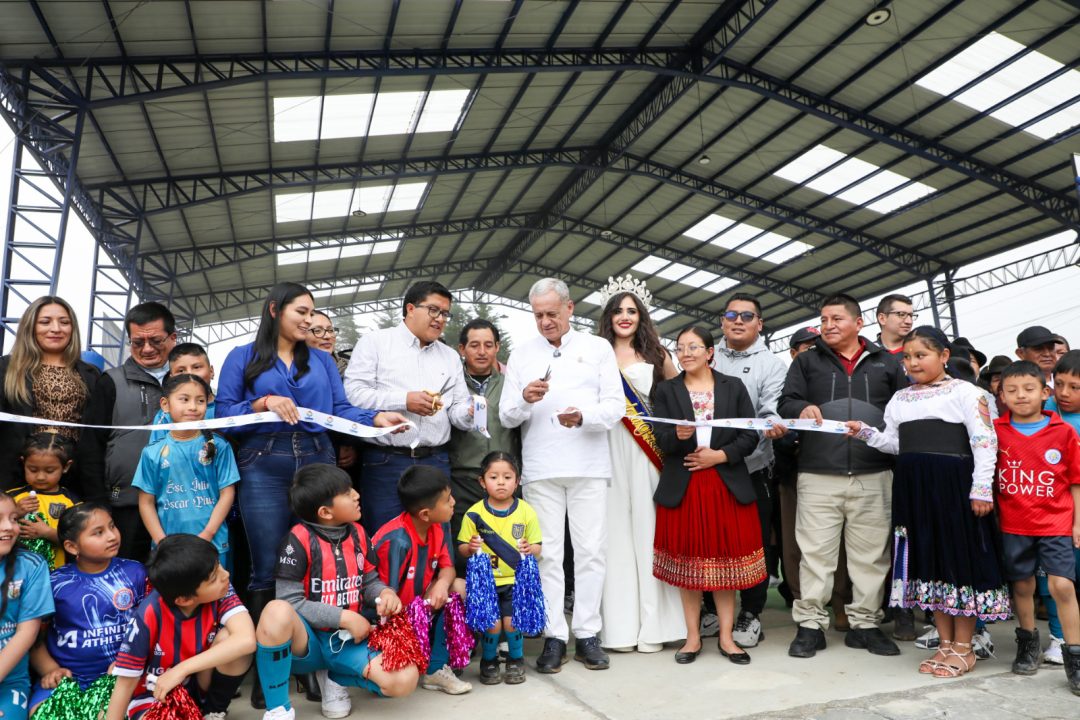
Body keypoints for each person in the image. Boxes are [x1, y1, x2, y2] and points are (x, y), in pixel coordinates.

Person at [215, 281, 404, 708]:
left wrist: (375, 418)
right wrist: (261, 403)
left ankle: (319, 665)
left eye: (311, 312)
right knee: (267, 568)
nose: (308, 320)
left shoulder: (320, 360)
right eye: (300, 311)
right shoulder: (242, 356)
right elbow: (223, 412)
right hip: (263, 461)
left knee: (326, 562)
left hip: (319, 458)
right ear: (274, 310)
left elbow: (340, 411)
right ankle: (271, 669)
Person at [846, 327, 1009, 678]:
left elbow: (984, 441)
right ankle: (945, 644)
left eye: (921, 355)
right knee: (928, 561)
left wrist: (981, 488)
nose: (912, 363)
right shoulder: (900, 399)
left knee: (957, 560)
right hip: (913, 488)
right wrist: (866, 433)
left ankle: (964, 647)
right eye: (907, 357)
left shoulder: (966, 392)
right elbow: (895, 444)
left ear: (944, 356)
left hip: (954, 486)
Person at [499, 278, 623, 672]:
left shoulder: (597, 348)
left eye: (552, 313)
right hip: (541, 466)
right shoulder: (522, 354)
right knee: (547, 554)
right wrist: (524, 399)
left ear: (570, 308)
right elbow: (506, 415)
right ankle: (555, 635)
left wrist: (583, 416)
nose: (545, 321)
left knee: (590, 552)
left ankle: (587, 633)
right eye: (538, 315)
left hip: (588, 464)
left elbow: (615, 407)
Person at [779, 293, 907, 659]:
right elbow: (785, 402)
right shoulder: (807, 361)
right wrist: (802, 407)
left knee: (871, 556)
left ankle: (866, 624)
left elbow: (902, 411)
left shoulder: (886, 363)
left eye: (836, 319)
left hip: (874, 472)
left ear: (859, 323)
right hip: (818, 472)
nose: (828, 325)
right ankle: (810, 625)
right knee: (815, 554)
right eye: (824, 320)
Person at [253, 465, 416, 720]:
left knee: (405, 679)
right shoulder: (297, 540)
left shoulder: (358, 533)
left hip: (348, 642)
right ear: (325, 512)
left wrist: (385, 593)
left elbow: (369, 581)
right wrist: (343, 617)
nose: (356, 495)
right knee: (275, 611)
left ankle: (335, 677)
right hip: (307, 643)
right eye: (347, 492)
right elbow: (289, 601)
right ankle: (278, 709)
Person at [652, 326, 764, 665]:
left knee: (724, 566)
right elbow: (661, 439)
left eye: (693, 347)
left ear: (710, 352)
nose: (685, 354)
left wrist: (721, 456)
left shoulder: (733, 386)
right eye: (680, 348)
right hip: (685, 485)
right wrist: (677, 435)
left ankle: (727, 639)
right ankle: (692, 638)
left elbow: (750, 434)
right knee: (690, 565)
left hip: (725, 483)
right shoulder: (667, 390)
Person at [595, 280, 683, 653]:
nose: (625, 317)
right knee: (614, 536)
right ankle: (620, 630)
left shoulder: (658, 355)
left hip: (648, 451)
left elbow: (680, 397)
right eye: (618, 310)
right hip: (607, 448)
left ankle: (657, 627)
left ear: (641, 315)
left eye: (632, 311)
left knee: (650, 533)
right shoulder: (595, 353)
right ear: (608, 315)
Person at [344, 281, 473, 535]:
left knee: (436, 541)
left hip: (435, 460)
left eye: (445, 313)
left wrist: (469, 412)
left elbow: (456, 409)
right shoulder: (375, 343)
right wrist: (404, 400)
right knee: (385, 538)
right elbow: (354, 395)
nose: (440, 319)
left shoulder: (449, 356)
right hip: (386, 461)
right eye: (433, 310)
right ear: (410, 309)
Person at [994, 361, 1080, 694]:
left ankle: (1074, 654)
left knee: (1063, 586)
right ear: (1002, 396)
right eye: (1012, 390)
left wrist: (1077, 522)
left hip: (1055, 522)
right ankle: (1028, 643)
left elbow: (1075, 481)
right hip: (1013, 522)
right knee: (1022, 585)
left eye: (1029, 389)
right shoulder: (995, 431)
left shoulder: (1063, 432)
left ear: (1045, 393)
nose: (1021, 396)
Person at [108, 535, 254, 720]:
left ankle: (213, 712)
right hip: (155, 696)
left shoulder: (221, 589)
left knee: (231, 640)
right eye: (214, 578)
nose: (225, 575)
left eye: (219, 566)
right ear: (184, 600)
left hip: (197, 686)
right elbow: (125, 683)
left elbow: (246, 639)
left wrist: (181, 670)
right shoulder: (148, 614)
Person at [713, 293, 789, 649]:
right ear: (722, 321)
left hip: (751, 467)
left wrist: (771, 423)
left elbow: (771, 409)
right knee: (711, 542)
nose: (738, 321)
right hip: (706, 467)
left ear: (760, 323)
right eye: (732, 315)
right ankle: (710, 609)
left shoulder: (772, 365)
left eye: (747, 315)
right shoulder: (706, 355)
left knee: (753, 544)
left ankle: (751, 612)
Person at [80, 302, 177, 560]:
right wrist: (99, 502)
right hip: (125, 505)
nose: (147, 349)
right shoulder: (111, 382)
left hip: (182, 504)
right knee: (126, 571)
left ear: (173, 338)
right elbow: (91, 446)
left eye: (155, 340)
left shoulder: (189, 382)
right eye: (138, 342)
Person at [28, 503, 146, 712]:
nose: (111, 536)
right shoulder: (55, 583)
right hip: (69, 680)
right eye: (98, 533)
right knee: (40, 713)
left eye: (112, 526)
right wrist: (50, 669)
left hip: (122, 677)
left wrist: (131, 663)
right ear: (72, 547)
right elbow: (34, 637)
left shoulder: (135, 572)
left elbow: (152, 627)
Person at [372, 465, 470, 695]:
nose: (454, 502)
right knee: (397, 677)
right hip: (392, 617)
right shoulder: (398, 540)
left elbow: (448, 567)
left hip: (418, 607)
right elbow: (383, 599)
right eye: (447, 500)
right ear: (425, 514)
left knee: (459, 587)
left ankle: (435, 667)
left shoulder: (439, 523)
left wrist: (441, 585)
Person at [775, 327, 851, 623]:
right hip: (792, 471)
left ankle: (841, 603)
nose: (813, 353)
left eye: (817, 347)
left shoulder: (834, 379)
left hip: (831, 469)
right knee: (796, 544)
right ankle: (804, 605)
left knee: (837, 544)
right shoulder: (785, 385)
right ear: (794, 353)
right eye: (806, 349)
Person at [133, 374, 239, 568]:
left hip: (213, 543)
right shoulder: (152, 452)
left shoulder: (219, 446)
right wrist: (162, 542)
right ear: (165, 404)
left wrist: (207, 534)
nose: (193, 407)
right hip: (169, 548)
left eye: (200, 401)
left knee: (215, 587)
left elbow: (227, 493)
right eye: (184, 399)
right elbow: (146, 502)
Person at [458, 451, 542, 685]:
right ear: (482, 482)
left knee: (512, 623)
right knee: (492, 625)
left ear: (517, 481)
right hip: (486, 583)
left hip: (516, 581)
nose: (501, 482)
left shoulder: (526, 511)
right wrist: (470, 547)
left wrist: (530, 549)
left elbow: (538, 546)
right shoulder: (474, 513)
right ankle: (488, 660)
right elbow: (462, 548)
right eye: (494, 477)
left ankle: (516, 659)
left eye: (507, 477)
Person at [0, 296, 99, 492]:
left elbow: (96, 436)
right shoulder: (6, 368)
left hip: (75, 481)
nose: (56, 329)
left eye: (64, 322)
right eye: (45, 322)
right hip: (16, 479)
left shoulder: (91, 374)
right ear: (30, 327)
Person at [448, 319, 521, 577]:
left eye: (488, 345)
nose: (482, 352)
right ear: (461, 349)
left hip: (504, 481)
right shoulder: (452, 384)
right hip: (464, 479)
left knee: (507, 549)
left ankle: (506, 598)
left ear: (497, 347)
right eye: (474, 345)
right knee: (466, 547)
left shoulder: (511, 384)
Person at [0, 492, 54, 720]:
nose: (8, 527)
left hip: (9, 679)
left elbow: (27, 634)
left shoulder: (31, 565)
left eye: (13, 518)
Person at [1043, 351, 1080, 664]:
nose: (1064, 393)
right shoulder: (1043, 411)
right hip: (1051, 511)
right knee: (1056, 579)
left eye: (1075, 387)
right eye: (1059, 384)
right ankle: (1059, 638)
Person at [9, 432, 79, 567]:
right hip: (17, 572)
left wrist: (47, 533)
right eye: (33, 470)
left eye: (49, 471)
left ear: (66, 467)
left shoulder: (72, 503)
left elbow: (80, 541)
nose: (40, 477)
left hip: (56, 572)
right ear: (23, 463)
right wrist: (14, 513)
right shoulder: (11, 497)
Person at [147, 343, 216, 444]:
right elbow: (156, 451)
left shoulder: (226, 408)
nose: (189, 374)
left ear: (211, 371)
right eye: (181, 370)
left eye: (196, 367)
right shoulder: (166, 414)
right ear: (172, 378)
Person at [307, 310, 349, 377]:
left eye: (330, 330)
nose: (328, 336)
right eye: (317, 330)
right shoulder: (292, 374)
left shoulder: (353, 368)